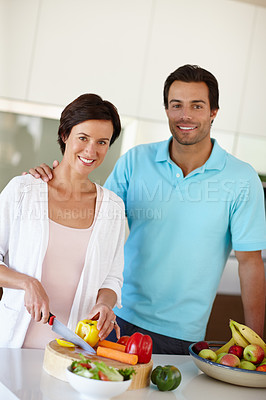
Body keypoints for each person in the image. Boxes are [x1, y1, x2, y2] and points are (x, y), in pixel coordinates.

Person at [27, 65, 266, 354]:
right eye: (176, 105)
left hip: (182, 335)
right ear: (166, 109)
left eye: (197, 106)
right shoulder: (135, 160)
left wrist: (258, 347)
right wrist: (55, 178)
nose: (185, 115)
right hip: (113, 319)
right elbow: (93, 220)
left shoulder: (241, 179)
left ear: (213, 112)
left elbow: (250, 263)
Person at [0, 93, 125, 348]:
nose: (91, 150)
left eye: (102, 142)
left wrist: (104, 304)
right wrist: (27, 283)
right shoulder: (23, 190)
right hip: (12, 345)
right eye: (83, 138)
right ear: (65, 135)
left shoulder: (112, 207)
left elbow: (112, 279)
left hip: (74, 351)